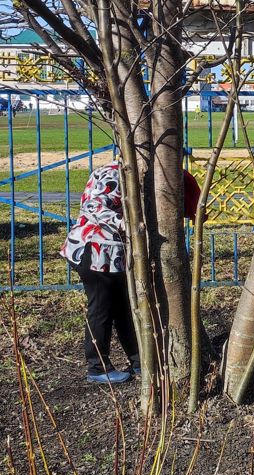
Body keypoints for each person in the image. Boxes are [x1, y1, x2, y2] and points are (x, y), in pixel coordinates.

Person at [61, 163, 201, 384]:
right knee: (101, 308)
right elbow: (94, 207)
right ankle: (97, 368)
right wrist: (130, 225)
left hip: (113, 255)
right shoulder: (114, 174)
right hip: (94, 250)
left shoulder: (141, 177)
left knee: (124, 308)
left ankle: (138, 362)